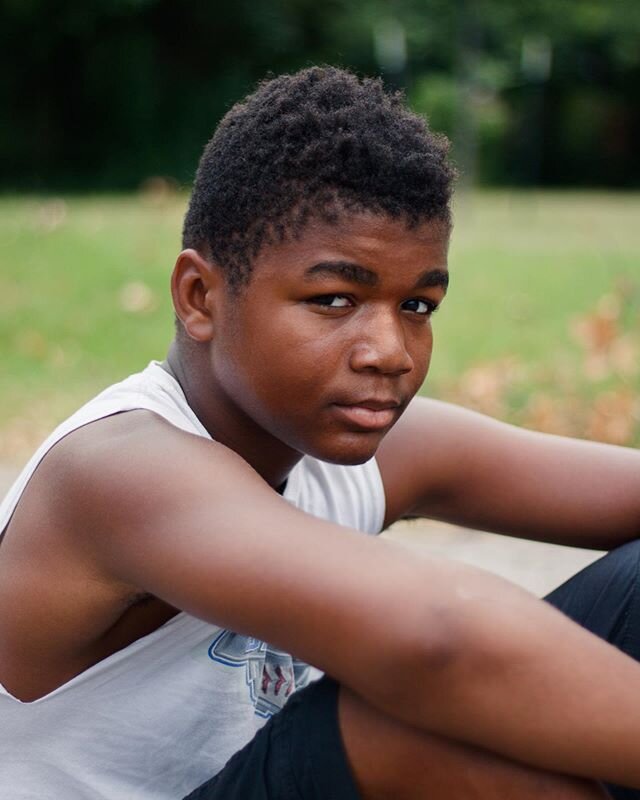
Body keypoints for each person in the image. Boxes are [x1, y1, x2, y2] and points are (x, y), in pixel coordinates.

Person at [1, 66, 640, 800]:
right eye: (334, 298)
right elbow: (439, 636)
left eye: (419, 306)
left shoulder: (354, 443)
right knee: (392, 728)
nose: (390, 351)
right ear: (199, 296)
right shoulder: (118, 472)